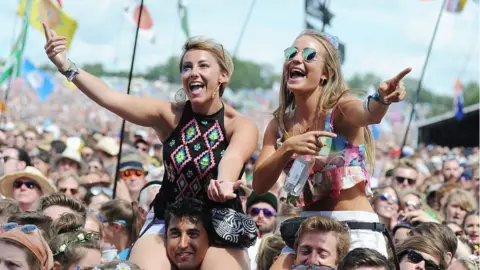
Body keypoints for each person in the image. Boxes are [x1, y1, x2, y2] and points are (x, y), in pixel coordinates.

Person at [43, 23, 258, 270]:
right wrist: (66, 66)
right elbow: (111, 98)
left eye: (203, 65)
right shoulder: (169, 115)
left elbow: (233, 157)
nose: (193, 72)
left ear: (223, 76)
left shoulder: (239, 124)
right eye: (187, 67)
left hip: (219, 221)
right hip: (169, 220)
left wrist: (224, 183)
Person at [253, 29, 411, 267]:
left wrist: (382, 99)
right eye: (291, 53)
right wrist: (287, 148)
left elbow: (368, 114)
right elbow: (259, 184)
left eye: (308, 55)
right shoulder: (279, 124)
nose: (296, 59)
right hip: (309, 230)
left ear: (326, 73)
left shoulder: (340, 108)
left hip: (355, 228)